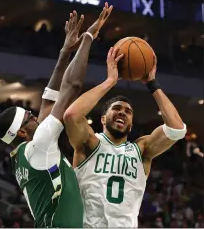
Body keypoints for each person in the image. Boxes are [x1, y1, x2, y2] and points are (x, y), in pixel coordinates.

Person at [0, 3, 113, 228]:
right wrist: (89, 36)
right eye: (30, 117)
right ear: (21, 131)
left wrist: (65, 51)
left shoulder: (25, 152)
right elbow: (73, 85)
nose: (35, 115)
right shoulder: (39, 144)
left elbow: (49, 99)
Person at [63, 47, 187, 227]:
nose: (122, 113)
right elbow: (71, 115)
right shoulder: (90, 143)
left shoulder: (142, 149)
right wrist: (110, 81)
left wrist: (152, 84)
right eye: (116, 108)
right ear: (103, 118)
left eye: (128, 112)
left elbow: (177, 129)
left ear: (131, 123)